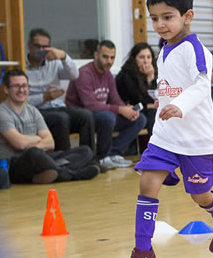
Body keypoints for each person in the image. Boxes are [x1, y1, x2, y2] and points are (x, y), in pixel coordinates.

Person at [125, 0, 213, 258]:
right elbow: (168, 86)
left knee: (200, 195)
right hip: (165, 136)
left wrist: (181, 105)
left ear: (187, 16)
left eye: (167, 17)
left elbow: (201, 85)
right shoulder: (164, 49)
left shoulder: (196, 50)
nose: (160, 24)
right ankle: (143, 250)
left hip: (195, 140)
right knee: (148, 183)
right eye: (154, 18)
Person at [0, 69, 100, 184]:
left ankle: (49, 172)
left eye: (24, 86)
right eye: (16, 86)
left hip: (40, 160)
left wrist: (33, 144)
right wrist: (38, 139)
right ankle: (71, 174)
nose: (21, 90)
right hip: (14, 166)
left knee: (85, 151)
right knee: (34, 153)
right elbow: (20, 143)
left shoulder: (33, 110)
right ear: (6, 89)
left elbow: (50, 143)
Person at [66, 40, 147, 169]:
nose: (109, 61)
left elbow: (115, 99)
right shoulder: (84, 73)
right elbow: (90, 105)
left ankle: (112, 153)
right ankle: (101, 157)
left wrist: (126, 109)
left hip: (103, 115)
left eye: (112, 57)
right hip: (82, 117)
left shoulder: (108, 74)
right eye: (105, 57)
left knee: (139, 119)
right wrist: (119, 109)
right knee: (108, 117)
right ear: (96, 55)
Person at [25, 28, 95, 154]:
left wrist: (63, 56)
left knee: (86, 116)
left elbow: (74, 75)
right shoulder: (21, 67)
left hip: (57, 107)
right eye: (37, 46)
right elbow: (21, 102)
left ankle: (89, 159)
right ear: (29, 45)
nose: (41, 50)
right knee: (61, 119)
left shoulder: (54, 62)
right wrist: (44, 97)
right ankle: (64, 162)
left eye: (45, 47)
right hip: (35, 112)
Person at [116, 43, 158, 133]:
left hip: (143, 109)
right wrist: (150, 78)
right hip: (129, 110)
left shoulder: (153, 72)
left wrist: (151, 77)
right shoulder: (127, 74)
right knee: (154, 114)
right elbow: (140, 100)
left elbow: (158, 96)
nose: (146, 61)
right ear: (134, 59)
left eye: (148, 57)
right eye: (141, 57)